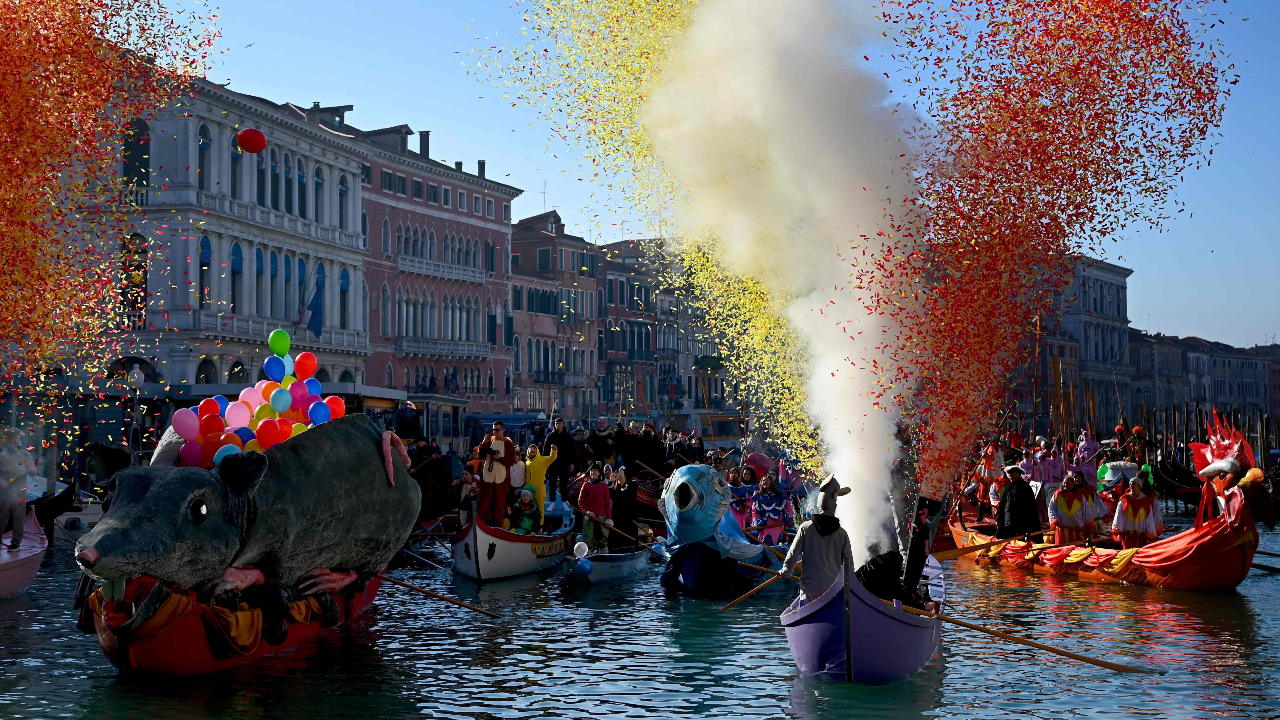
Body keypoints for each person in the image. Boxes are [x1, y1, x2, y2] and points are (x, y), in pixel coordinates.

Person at [781, 476, 855, 603]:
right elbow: (849, 565)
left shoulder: (805, 528)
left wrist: (786, 572)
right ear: (834, 505)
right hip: (833, 590)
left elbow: (793, 554)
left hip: (810, 589)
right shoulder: (842, 534)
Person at [476, 421, 518, 527]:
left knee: (499, 504)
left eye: (497, 430)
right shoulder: (489, 441)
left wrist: (499, 458)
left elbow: (511, 460)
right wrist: (484, 443)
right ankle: (481, 525)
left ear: (503, 430)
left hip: (501, 476)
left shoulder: (508, 443)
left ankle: (498, 527)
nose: (494, 432)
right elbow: (480, 455)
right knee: (483, 503)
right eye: (493, 429)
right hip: (487, 475)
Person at [0, 429, 35, 550]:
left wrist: (32, 470)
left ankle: (16, 543)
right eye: (13, 438)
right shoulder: (2, 456)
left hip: (20, 491)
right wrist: (1, 482)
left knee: (19, 517)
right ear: (8, 440)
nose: (16, 441)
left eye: (18, 438)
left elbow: (33, 471)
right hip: (4, 492)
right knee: (1, 516)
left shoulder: (26, 454)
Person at [1047, 471, 1099, 544]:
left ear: (1073, 484)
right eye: (1064, 483)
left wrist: (1090, 525)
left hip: (1078, 529)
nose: (1065, 485)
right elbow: (1051, 508)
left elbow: (1086, 511)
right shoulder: (1057, 494)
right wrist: (1056, 520)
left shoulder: (1079, 495)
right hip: (1063, 529)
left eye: (1067, 483)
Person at [1112, 474, 1163, 548]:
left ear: (1139, 486)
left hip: (1141, 536)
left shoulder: (1146, 501)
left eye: (1133, 484)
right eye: (1130, 484)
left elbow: (1150, 519)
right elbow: (1118, 516)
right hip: (1127, 535)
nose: (1131, 486)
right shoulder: (1124, 500)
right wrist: (1117, 529)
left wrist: (1150, 533)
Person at [995, 465, 1041, 539]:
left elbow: (1031, 506)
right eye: (1009, 476)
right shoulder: (1008, 487)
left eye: (1012, 475)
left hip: (1021, 521)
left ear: (1017, 475)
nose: (1010, 477)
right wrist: (998, 519)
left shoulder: (1025, 487)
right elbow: (1002, 504)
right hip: (1008, 520)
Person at [750, 468, 794, 544]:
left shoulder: (780, 495)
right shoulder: (758, 496)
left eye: (767, 480)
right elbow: (754, 511)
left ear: (771, 482)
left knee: (773, 544)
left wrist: (788, 518)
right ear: (761, 483)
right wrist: (758, 521)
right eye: (763, 480)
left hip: (777, 525)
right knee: (764, 544)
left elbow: (789, 508)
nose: (765, 482)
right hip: (763, 525)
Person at [577, 462, 613, 552]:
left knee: (603, 537)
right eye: (592, 471)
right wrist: (587, 511)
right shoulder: (586, 485)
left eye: (595, 471)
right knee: (588, 536)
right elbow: (580, 502)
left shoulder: (604, 486)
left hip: (602, 516)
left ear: (599, 473)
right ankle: (588, 552)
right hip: (589, 516)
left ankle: (603, 552)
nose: (593, 472)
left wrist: (609, 518)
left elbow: (607, 503)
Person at [542, 418, 577, 509]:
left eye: (559, 423)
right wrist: (545, 463)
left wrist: (572, 463)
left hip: (564, 463)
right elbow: (545, 451)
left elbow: (572, 451)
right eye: (556, 423)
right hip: (552, 464)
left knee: (564, 484)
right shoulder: (550, 436)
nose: (558, 425)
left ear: (563, 424)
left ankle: (564, 502)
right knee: (552, 484)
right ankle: (552, 503)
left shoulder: (568, 436)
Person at [523, 444, 556, 531]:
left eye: (534, 448)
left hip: (540, 489)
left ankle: (540, 526)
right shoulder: (526, 462)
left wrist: (554, 450)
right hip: (529, 490)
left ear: (537, 450)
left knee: (540, 507)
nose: (532, 450)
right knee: (529, 507)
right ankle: (529, 525)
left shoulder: (542, 460)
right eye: (530, 448)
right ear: (528, 451)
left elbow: (552, 457)